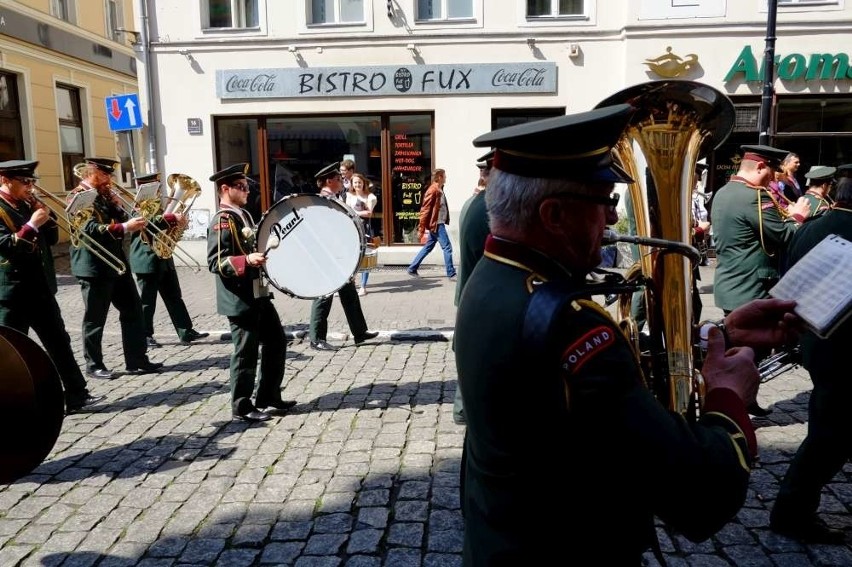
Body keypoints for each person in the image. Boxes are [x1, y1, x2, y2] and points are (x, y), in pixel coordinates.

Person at [456, 104, 798, 564]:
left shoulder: (492, 275)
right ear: (554, 214)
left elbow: (552, 399)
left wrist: (716, 336)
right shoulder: (571, 322)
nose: (613, 221)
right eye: (604, 202)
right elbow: (699, 495)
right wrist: (727, 394)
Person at [769, 177, 852, 544]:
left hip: (817, 342)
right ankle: (792, 511)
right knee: (829, 436)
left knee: (828, 428)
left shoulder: (813, 226)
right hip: (847, 351)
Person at [0, 160, 102, 413]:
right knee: (11, 353)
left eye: (32, 182)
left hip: (39, 289)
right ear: (5, 180)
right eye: (25, 182)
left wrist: (45, 216)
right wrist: (32, 223)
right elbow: (6, 246)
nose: (30, 187)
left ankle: (77, 394)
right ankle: (16, 404)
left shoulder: (25, 203)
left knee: (59, 341)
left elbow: (53, 238)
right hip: (10, 293)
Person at [207, 163, 296, 422]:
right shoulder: (222, 221)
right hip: (239, 298)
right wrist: (247, 260)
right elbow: (216, 262)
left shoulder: (242, 215)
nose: (247, 190)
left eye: (248, 186)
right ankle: (242, 406)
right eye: (241, 186)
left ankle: (268, 397)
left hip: (257, 294)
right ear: (225, 189)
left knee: (276, 342)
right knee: (245, 353)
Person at [69, 157, 162, 379]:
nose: (109, 179)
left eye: (109, 175)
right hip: (93, 265)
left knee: (133, 309)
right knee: (95, 318)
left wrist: (121, 209)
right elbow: (88, 228)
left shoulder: (104, 195)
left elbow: (122, 219)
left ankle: (136, 360)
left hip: (115, 262)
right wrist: (123, 226)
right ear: (91, 172)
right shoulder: (77, 196)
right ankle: (94, 365)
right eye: (105, 175)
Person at [712, 145, 811, 316]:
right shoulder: (755, 196)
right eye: (772, 171)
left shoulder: (723, 192)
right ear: (759, 167)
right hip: (751, 290)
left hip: (731, 287)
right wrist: (798, 217)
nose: (773, 178)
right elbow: (783, 236)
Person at [129, 172, 208, 348]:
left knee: (174, 296)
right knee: (147, 301)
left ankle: (185, 331)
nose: (158, 190)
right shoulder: (136, 206)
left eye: (158, 186)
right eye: (154, 186)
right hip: (146, 258)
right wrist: (171, 218)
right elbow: (148, 222)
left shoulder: (158, 204)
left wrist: (179, 224)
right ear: (144, 187)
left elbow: (164, 223)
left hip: (164, 256)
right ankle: (145, 335)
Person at [308, 162, 378, 351]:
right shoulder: (322, 201)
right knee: (324, 296)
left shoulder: (335, 198)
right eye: (339, 179)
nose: (342, 181)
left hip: (338, 256)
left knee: (350, 294)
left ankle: (360, 332)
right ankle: (316, 338)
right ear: (329, 181)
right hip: (328, 257)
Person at [452, 150, 494, 425]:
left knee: (471, 348)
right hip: (481, 291)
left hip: (470, 289)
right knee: (478, 352)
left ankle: (462, 406)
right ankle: (465, 408)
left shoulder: (473, 202)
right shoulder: (488, 207)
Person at [407, 168, 457, 280]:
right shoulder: (433, 190)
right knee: (447, 248)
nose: (446, 178)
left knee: (428, 247)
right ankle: (451, 273)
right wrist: (421, 229)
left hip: (437, 223)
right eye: (445, 176)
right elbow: (425, 210)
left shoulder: (439, 189)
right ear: (439, 177)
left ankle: (412, 268)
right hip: (437, 224)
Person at [345, 172, 377, 296]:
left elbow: (369, 213)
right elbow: (346, 211)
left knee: (365, 257)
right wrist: (356, 212)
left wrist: (354, 212)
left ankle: (363, 286)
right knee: (352, 257)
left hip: (365, 229)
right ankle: (349, 283)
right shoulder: (349, 196)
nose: (357, 184)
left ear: (364, 183)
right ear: (352, 184)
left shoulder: (371, 197)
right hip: (352, 228)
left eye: (359, 182)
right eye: (355, 182)